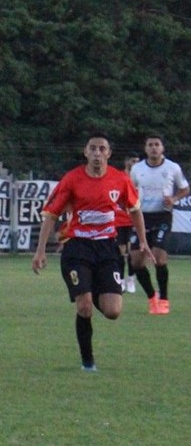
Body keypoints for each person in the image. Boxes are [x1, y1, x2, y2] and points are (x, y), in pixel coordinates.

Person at [32, 133, 152, 372]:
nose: (97, 153)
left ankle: (93, 288)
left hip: (108, 248)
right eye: (93, 149)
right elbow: (51, 215)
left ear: (109, 154)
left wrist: (143, 241)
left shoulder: (120, 180)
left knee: (113, 311)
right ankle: (88, 362)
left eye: (102, 149)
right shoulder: (72, 179)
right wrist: (40, 250)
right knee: (84, 306)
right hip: (77, 248)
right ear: (85, 152)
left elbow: (135, 210)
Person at [127, 134, 190, 314]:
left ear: (162, 148)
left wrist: (174, 198)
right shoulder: (137, 169)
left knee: (159, 257)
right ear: (145, 148)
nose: (154, 148)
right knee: (136, 261)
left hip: (163, 216)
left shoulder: (172, 168)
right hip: (141, 217)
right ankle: (151, 297)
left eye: (157, 144)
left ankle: (164, 299)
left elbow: (185, 188)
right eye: (150, 145)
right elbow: (130, 190)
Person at [120, 153, 141, 293]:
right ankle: (120, 280)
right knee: (121, 252)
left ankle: (131, 279)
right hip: (120, 220)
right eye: (133, 161)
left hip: (133, 220)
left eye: (138, 162)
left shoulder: (141, 178)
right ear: (126, 162)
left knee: (132, 252)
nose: (135, 164)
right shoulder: (119, 177)